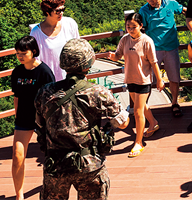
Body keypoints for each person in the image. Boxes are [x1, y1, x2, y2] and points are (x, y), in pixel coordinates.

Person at [34, 38, 129, 200]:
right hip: (90, 165)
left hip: (56, 164)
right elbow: (122, 123)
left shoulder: (45, 92)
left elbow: (38, 122)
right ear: (88, 64)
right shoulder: (98, 92)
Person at [109, 12, 163, 157]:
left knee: (138, 111)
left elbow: (154, 62)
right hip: (130, 78)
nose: (131, 29)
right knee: (142, 106)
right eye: (128, 26)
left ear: (141, 25)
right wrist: (112, 56)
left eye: (134, 26)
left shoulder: (147, 41)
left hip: (143, 80)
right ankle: (153, 123)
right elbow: (118, 55)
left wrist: (159, 79)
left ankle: (138, 142)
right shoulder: (125, 39)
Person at [10, 35, 55, 200]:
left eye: (23, 52)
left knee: (52, 156)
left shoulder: (44, 72)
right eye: (17, 53)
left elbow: (52, 98)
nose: (20, 56)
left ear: (34, 51)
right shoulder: (17, 72)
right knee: (17, 155)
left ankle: (52, 187)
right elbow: (16, 97)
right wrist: (17, 116)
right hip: (23, 118)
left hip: (43, 118)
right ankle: (19, 195)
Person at [138, 0, 186, 118]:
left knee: (174, 77)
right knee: (148, 79)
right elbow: (142, 29)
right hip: (154, 50)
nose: (150, 1)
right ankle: (144, 106)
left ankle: (175, 102)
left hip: (171, 48)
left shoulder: (170, 3)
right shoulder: (144, 10)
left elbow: (183, 10)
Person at [30, 0, 81, 81]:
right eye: (58, 11)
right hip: (49, 80)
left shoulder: (70, 23)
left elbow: (79, 47)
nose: (61, 13)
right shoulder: (36, 33)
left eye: (63, 9)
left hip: (71, 78)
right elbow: (35, 59)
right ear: (47, 12)